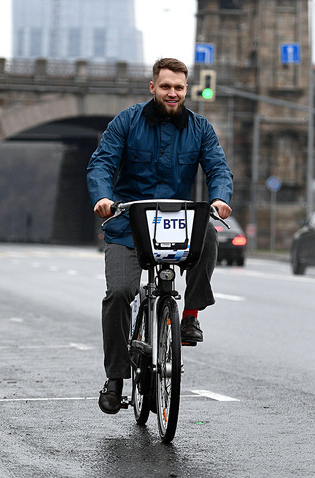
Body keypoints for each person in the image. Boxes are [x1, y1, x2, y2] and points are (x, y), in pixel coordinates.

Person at [86, 58, 234, 415]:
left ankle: (190, 316)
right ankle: (116, 377)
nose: (172, 93)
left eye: (179, 87)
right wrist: (103, 197)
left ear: (186, 90)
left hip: (175, 223)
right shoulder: (127, 122)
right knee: (120, 293)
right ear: (152, 87)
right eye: (166, 86)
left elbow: (217, 167)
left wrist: (220, 198)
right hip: (127, 225)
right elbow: (102, 162)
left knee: (210, 236)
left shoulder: (200, 129)